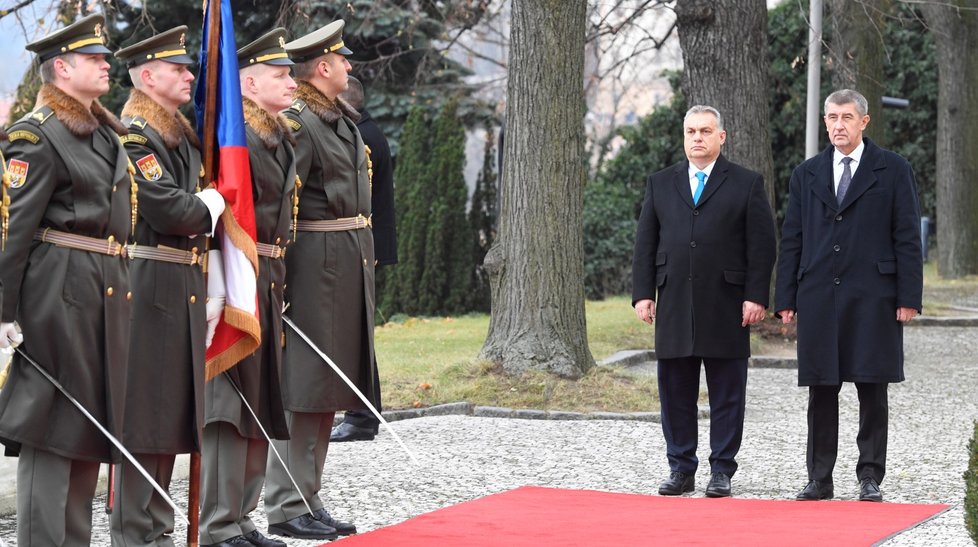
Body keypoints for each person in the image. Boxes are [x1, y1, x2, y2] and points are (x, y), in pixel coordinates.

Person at [0, 14, 135, 545]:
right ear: (62, 67)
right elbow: (16, 231)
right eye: (94, 58)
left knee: (87, 428)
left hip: (101, 289)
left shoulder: (100, 129)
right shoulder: (37, 135)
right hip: (56, 293)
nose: (106, 64)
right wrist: (5, 311)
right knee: (52, 427)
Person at [775, 89, 923, 503]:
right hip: (820, 294)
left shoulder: (893, 169)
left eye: (846, 117)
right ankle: (819, 478)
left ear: (864, 122)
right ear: (824, 122)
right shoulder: (806, 174)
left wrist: (908, 296)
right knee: (822, 388)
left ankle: (870, 476)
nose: (838, 125)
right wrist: (786, 296)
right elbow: (793, 238)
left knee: (872, 388)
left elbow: (908, 237)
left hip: (875, 295)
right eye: (831, 118)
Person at [111, 27, 225, 545]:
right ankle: (136, 532)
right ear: (148, 76)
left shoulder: (174, 133)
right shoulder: (137, 134)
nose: (189, 75)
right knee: (144, 419)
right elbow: (171, 209)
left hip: (180, 283)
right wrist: (212, 205)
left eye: (188, 66)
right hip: (152, 282)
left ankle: (155, 530)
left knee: (169, 418)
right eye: (178, 68)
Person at [263, 19, 374, 540]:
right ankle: (285, 502)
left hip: (345, 262)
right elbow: (283, 202)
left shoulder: (339, 119)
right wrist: (280, 276)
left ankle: (308, 494)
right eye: (343, 60)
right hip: (312, 267)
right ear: (324, 67)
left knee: (329, 387)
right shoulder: (301, 122)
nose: (350, 67)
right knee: (304, 385)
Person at [632, 105, 776, 498]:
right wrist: (643, 293)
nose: (697, 138)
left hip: (727, 303)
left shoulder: (746, 183)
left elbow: (762, 246)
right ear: (684, 136)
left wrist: (755, 296)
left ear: (721, 137)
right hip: (674, 301)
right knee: (675, 389)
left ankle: (722, 470)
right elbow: (646, 242)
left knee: (727, 391)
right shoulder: (661, 183)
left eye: (705, 131)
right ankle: (681, 468)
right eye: (691, 131)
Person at [197, 28, 296, 547]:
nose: (292, 84)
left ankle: (242, 515)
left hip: (269, 279)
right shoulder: (237, 140)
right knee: (230, 407)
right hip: (238, 281)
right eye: (280, 76)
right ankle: (216, 522)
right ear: (249, 85)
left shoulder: (278, 135)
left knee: (261, 401)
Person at [330, 75, 397, 443]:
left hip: (360, 244)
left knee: (354, 334)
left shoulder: (362, 137)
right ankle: (360, 413)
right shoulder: (366, 131)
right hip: (362, 244)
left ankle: (361, 415)